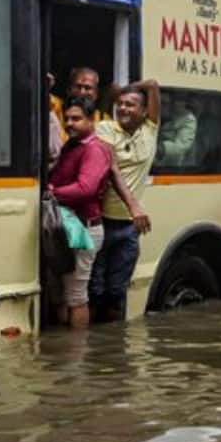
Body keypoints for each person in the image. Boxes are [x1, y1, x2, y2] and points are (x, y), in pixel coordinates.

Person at [90, 81, 161, 322]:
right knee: (94, 291)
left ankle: (113, 351)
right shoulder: (106, 129)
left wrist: (129, 86)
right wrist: (134, 205)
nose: (123, 108)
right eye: (120, 104)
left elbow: (153, 86)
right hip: (101, 222)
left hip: (129, 228)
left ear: (143, 112)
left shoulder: (150, 130)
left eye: (130, 104)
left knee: (117, 292)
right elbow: (111, 169)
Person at [48, 96, 112, 329]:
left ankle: (77, 353)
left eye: (77, 119)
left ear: (91, 119)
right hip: (66, 225)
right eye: (67, 119)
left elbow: (86, 188)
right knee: (62, 295)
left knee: (76, 296)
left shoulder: (94, 149)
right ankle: (66, 353)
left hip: (83, 228)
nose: (70, 123)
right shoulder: (71, 146)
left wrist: (52, 192)